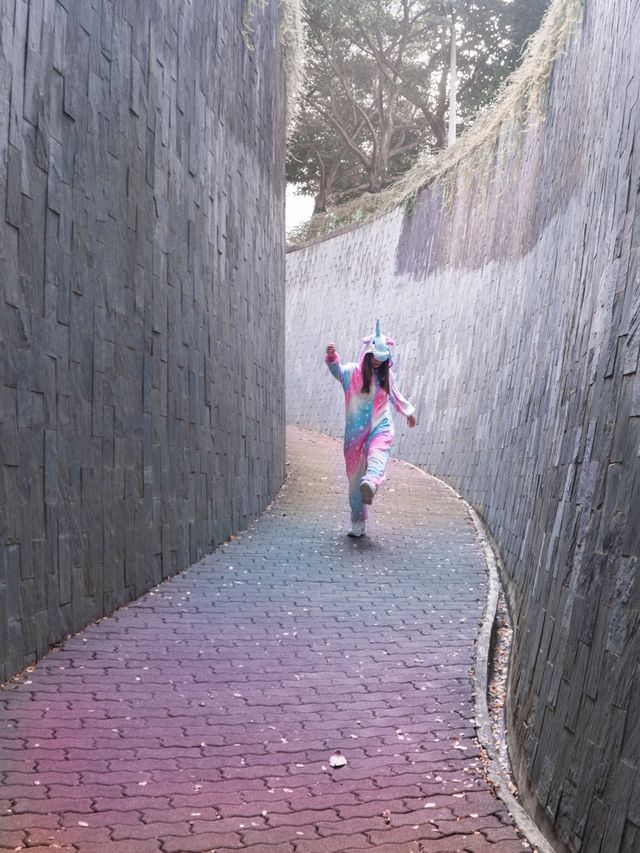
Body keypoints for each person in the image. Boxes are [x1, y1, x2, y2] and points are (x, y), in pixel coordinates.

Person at [325, 320, 417, 538]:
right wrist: (331, 357)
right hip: (355, 436)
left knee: (378, 453)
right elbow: (337, 370)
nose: (377, 362)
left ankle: (372, 482)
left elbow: (395, 395)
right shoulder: (352, 373)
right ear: (367, 355)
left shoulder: (386, 376)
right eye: (374, 357)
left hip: (380, 426)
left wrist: (408, 412)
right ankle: (358, 521)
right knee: (355, 481)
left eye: (382, 359)